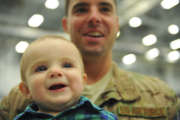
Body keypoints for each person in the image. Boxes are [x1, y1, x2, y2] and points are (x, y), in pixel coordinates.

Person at [0, 0, 179, 119]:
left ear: (117, 24)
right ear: (66, 24)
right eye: (81, 9)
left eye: (104, 9)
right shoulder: (15, 102)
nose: (94, 18)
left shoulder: (160, 97)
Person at [13, 35, 118, 120]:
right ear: (26, 90)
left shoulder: (103, 118)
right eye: (41, 68)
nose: (55, 72)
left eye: (67, 65)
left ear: (83, 81)